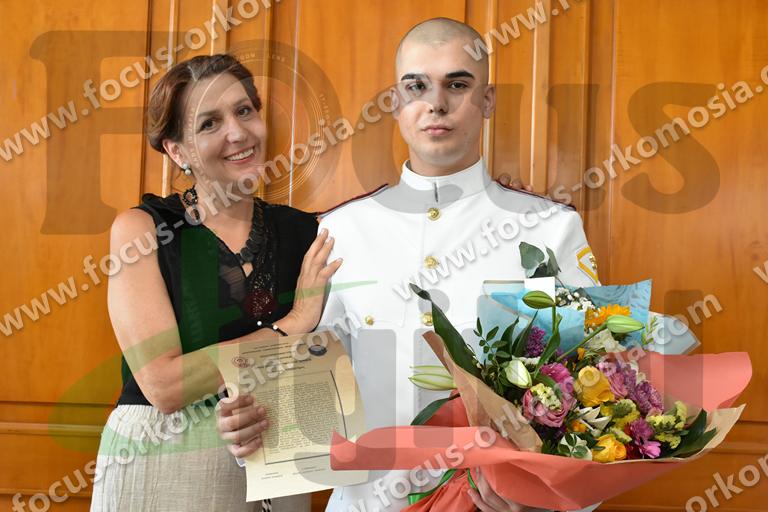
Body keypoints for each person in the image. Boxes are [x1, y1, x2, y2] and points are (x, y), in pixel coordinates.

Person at [218, 18, 601, 512]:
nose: (436, 103)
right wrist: (254, 428)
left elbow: (596, 395)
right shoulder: (339, 231)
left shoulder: (550, 229)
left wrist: (539, 505)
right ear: (396, 102)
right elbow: (308, 406)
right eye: (416, 86)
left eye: (457, 85)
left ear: (487, 101)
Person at [90, 54, 340, 512]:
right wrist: (291, 325)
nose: (238, 132)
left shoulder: (308, 231)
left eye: (244, 111)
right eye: (209, 123)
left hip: (278, 458)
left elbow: (328, 365)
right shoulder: (143, 231)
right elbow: (164, 386)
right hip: (163, 460)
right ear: (177, 151)